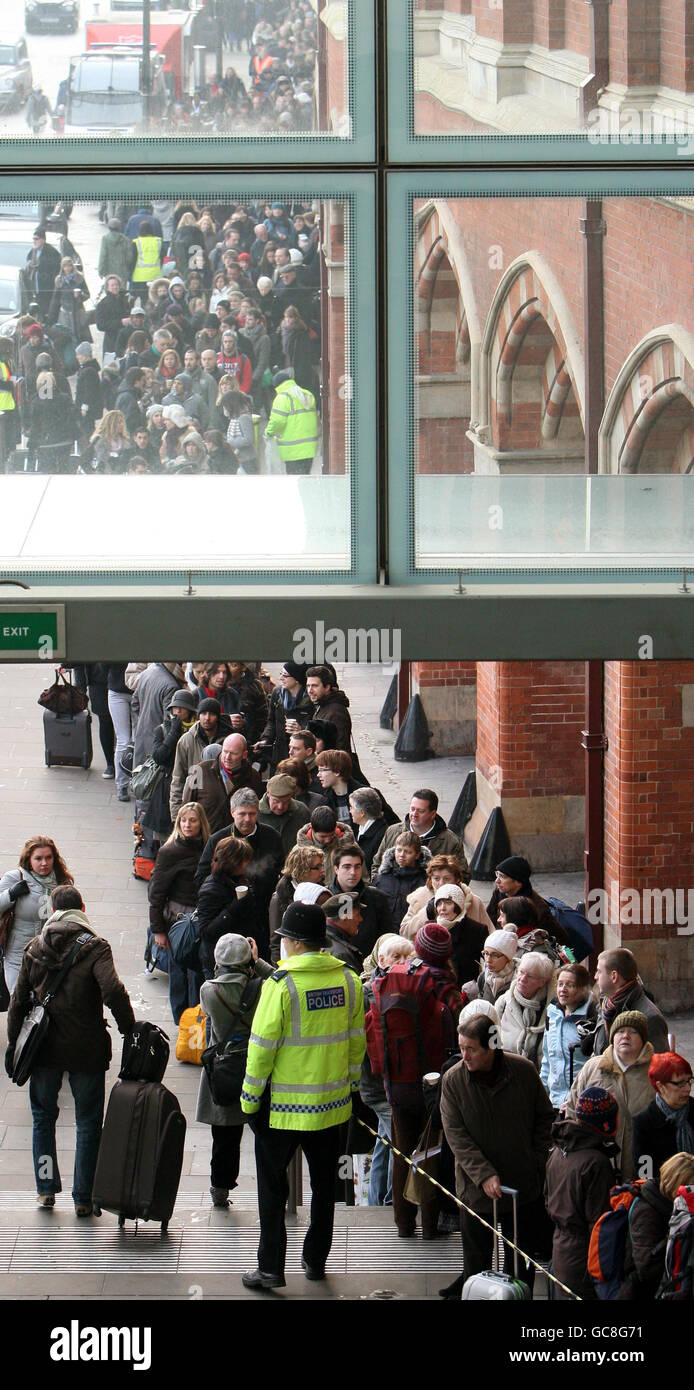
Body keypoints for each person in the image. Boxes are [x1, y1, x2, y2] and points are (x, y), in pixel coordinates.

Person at [240, 900, 365, 1289]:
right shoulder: (349, 981)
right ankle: (315, 1262)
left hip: (281, 1111)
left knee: (273, 1192)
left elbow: (260, 1049)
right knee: (325, 1189)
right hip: (331, 1108)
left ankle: (270, 1268)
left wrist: (248, 1100)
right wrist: (352, 1088)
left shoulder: (280, 985)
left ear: (293, 943)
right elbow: (356, 1043)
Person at [5, 885, 135, 1215]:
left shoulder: (36, 945)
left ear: (51, 909)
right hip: (85, 1048)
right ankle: (83, 1196)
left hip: (43, 1049)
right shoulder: (95, 947)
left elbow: (18, 1000)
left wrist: (12, 1045)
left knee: (42, 1119)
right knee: (89, 1122)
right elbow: (113, 990)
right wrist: (128, 1028)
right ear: (83, 908)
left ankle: (46, 1188)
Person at [440, 1011, 554, 1297]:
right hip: (476, 1192)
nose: (464, 1056)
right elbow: (456, 1136)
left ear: (491, 1046)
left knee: (520, 1263)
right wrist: (483, 1174)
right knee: (476, 1262)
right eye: (461, 1047)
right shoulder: (453, 1081)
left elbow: (545, 1117)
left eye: (471, 1049)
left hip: (521, 1188)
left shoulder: (524, 1072)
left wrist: (537, 1159)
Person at [367, 923, 463, 1240]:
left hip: (396, 1083)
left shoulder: (390, 984)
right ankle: (431, 1223)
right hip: (432, 1084)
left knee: (402, 1151)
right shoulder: (439, 987)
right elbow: (453, 1031)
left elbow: (372, 1033)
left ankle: (403, 1223)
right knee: (431, 1151)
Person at [197, 933, 274, 1208]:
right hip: (257, 1063)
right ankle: (271, 1191)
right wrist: (259, 962)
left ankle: (220, 1189)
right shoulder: (263, 987)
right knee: (264, 1132)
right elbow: (283, 981)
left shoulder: (209, 990)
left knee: (225, 1134)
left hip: (225, 1064)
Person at [544, 1087, 620, 1300]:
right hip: (586, 1258)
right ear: (606, 1122)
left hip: (560, 1251)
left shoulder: (559, 1151)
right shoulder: (596, 1163)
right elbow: (600, 1223)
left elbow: (547, 1198)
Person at [195, 787, 283, 961]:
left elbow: (280, 871)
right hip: (228, 922)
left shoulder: (271, 837)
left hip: (262, 921)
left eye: (252, 814)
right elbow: (201, 878)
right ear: (232, 812)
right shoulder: (218, 839)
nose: (247, 819)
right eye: (242, 814)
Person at [565, 1012, 655, 1180]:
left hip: (642, 1162)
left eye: (633, 1032)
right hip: (598, 1166)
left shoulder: (655, 1071)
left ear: (643, 1038)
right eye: (620, 1031)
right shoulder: (593, 1067)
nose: (625, 1036)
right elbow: (572, 1110)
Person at [360, 934, 415, 1206]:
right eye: (396, 957)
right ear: (381, 960)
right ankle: (393, 1202)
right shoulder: (368, 992)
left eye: (408, 957)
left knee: (385, 1140)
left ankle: (376, 1200)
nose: (403, 963)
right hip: (378, 1084)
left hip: (394, 1081)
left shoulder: (409, 987)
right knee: (397, 1140)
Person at [148, 802, 210, 1023]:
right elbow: (156, 894)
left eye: (192, 820)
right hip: (177, 922)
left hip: (200, 919)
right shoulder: (169, 851)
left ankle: (196, 1019)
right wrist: (158, 930)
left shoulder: (207, 847)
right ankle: (182, 1020)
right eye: (183, 820)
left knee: (197, 973)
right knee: (178, 973)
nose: (187, 824)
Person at [0, 837, 74, 993]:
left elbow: (73, 916)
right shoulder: (14, 878)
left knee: (46, 1006)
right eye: (38, 858)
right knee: (19, 1001)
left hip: (51, 955)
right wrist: (10, 895)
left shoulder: (62, 881)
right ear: (29, 859)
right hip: (18, 955)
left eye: (48, 857)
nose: (44, 863)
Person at [619, 1151, 694, 1300]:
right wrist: (676, 1237)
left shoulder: (674, 1208)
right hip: (645, 1292)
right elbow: (647, 1269)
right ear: (677, 1184)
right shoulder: (646, 1210)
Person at [373, 789, 470, 879]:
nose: (414, 814)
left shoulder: (450, 842)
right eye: (412, 809)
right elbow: (377, 864)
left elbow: (463, 875)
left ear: (432, 814)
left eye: (421, 811)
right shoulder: (392, 832)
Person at [196, 836, 256, 981]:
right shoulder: (211, 889)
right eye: (243, 860)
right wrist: (235, 906)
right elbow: (207, 931)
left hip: (239, 956)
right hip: (219, 961)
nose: (247, 864)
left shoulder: (239, 879)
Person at [541, 963, 598, 1110]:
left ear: (583, 988)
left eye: (570, 985)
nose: (563, 990)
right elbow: (548, 1058)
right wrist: (542, 1093)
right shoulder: (552, 1013)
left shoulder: (592, 1017)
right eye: (560, 984)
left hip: (582, 1103)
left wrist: (577, 1099)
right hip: (554, 1101)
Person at [592, 948, 669, 1056]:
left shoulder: (650, 1017)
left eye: (599, 971)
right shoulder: (606, 1004)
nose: (595, 977)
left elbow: (659, 1065)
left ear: (614, 976)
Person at [632, 1052, 694, 1182]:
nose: (688, 1088)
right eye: (680, 1084)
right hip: (663, 1196)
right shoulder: (644, 1122)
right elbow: (645, 1175)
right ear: (661, 1086)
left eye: (689, 1081)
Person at [169, 698, 234, 820]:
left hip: (222, 809)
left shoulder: (229, 740)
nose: (207, 718)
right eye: (203, 713)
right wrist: (176, 815)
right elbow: (178, 778)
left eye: (212, 714)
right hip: (194, 805)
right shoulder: (186, 741)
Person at [182, 733, 262, 831]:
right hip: (205, 839)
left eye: (233, 753)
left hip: (237, 840)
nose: (227, 757)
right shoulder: (200, 770)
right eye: (225, 751)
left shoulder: (254, 777)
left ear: (244, 755)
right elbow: (186, 807)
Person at [330, 844, 392, 964]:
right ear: (336, 869)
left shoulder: (377, 898)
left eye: (357, 867)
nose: (353, 872)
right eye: (347, 867)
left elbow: (386, 936)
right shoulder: (325, 897)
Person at [496, 951, 555, 1070]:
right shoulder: (503, 1002)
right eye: (521, 972)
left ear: (542, 982)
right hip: (505, 1072)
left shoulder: (552, 1009)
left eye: (530, 976)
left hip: (538, 1075)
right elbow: (492, 1038)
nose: (522, 979)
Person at [268, 844, 325, 959]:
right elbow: (276, 941)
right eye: (317, 867)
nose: (322, 870)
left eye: (322, 866)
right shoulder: (280, 898)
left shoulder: (322, 893)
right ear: (301, 870)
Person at [254, 660, 312, 771]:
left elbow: (314, 728)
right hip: (280, 752)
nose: (281, 678)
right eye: (281, 674)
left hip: (300, 754)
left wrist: (301, 730)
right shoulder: (277, 693)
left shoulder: (310, 699)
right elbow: (271, 721)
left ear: (296, 679)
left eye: (285, 675)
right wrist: (265, 740)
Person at [486, 855, 562, 936]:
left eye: (502, 876)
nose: (497, 880)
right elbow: (489, 917)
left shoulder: (536, 907)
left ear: (518, 882)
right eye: (497, 874)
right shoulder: (500, 891)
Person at [432, 883, 489, 987]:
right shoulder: (429, 929)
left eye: (448, 903)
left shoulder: (477, 930)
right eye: (439, 904)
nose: (442, 908)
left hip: (465, 991)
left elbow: (489, 961)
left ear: (459, 905)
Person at [371, 832, 430, 932]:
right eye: (399, 850)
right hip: (383, 934)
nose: (402, 855)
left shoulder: (425, 881)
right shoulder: (381, 878)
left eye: (408, 852)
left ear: (417, 855)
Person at [296, 805, 355, 881]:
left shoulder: (348, 845)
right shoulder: (300, 852)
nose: (327, 840)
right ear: (313, 830)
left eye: (331, 835)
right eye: (323, 837)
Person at [257, 773, 310, 856]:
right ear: (268, 793)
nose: (280, 807)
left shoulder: (301, 811)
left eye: (286, 802)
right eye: (276, 801)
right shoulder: (254, 814)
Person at [305, 666, 353, 752]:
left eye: (314, 686)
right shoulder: (321, 704)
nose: (310, 690)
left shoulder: (336, 712)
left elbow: (341, 749)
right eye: (308, 686)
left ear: (327, 687)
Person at [473, 928, 518, 1005]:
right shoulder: (483, 978)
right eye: (486, 953)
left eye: (495, 955)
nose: (488, 960)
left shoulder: (519, 981)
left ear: (508, 957)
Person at [349, 786, 387, 870]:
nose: (350, 811)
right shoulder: (360, 828)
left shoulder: (381, 836)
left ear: (362, 813)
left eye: (352, 807)